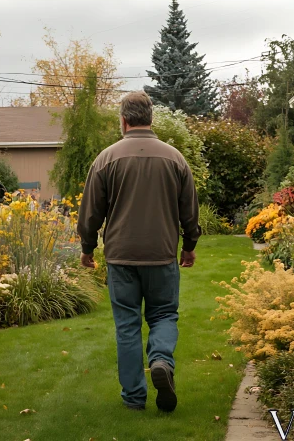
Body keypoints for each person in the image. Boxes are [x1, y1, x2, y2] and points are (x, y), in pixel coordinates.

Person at [76, 91, 201, 412]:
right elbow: (190, 212)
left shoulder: (106, 160)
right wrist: (188, 247)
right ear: (150, 119)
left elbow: (91, 213)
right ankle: (160, 360)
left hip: (120, 258)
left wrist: (87, 249)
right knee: (163, 314)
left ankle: (134, 397)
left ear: (124, 120)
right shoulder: (175, 159)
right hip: (161, 255)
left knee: (128, 325)